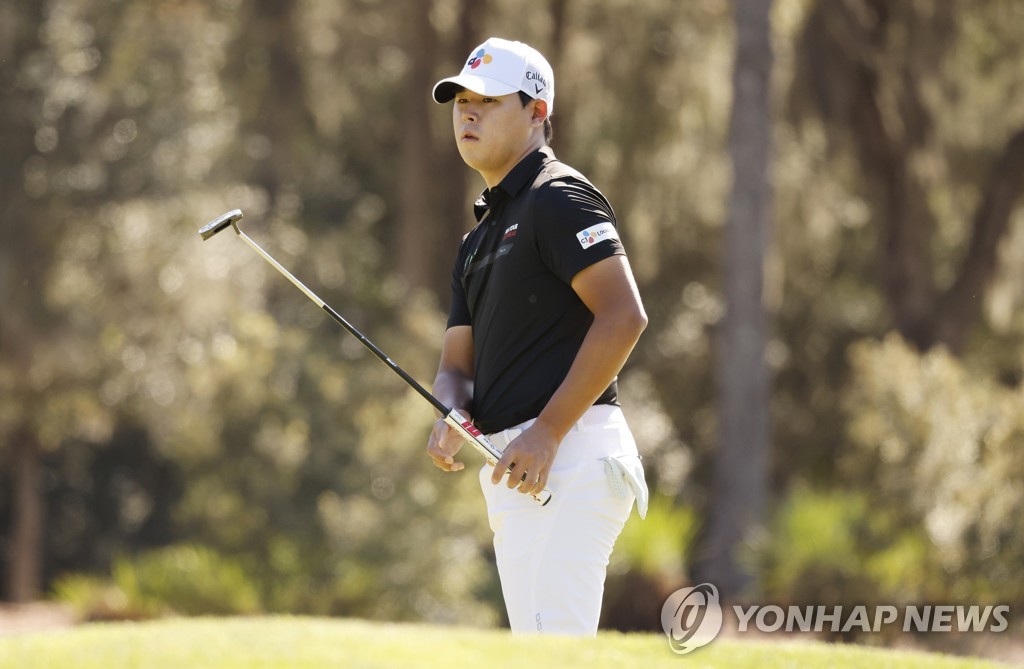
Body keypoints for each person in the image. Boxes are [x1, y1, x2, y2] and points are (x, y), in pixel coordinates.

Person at [426, 37, 649, 636]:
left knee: (557, 651)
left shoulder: (558, 196)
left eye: (488, 101)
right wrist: (451, 410)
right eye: (462, 102)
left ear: (537, 112)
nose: (469, 115)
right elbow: (457, 365)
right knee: (536, 650)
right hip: (515, 470)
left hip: (571, 455)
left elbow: (624, 316)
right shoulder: (476, 240)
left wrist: (547, 433)